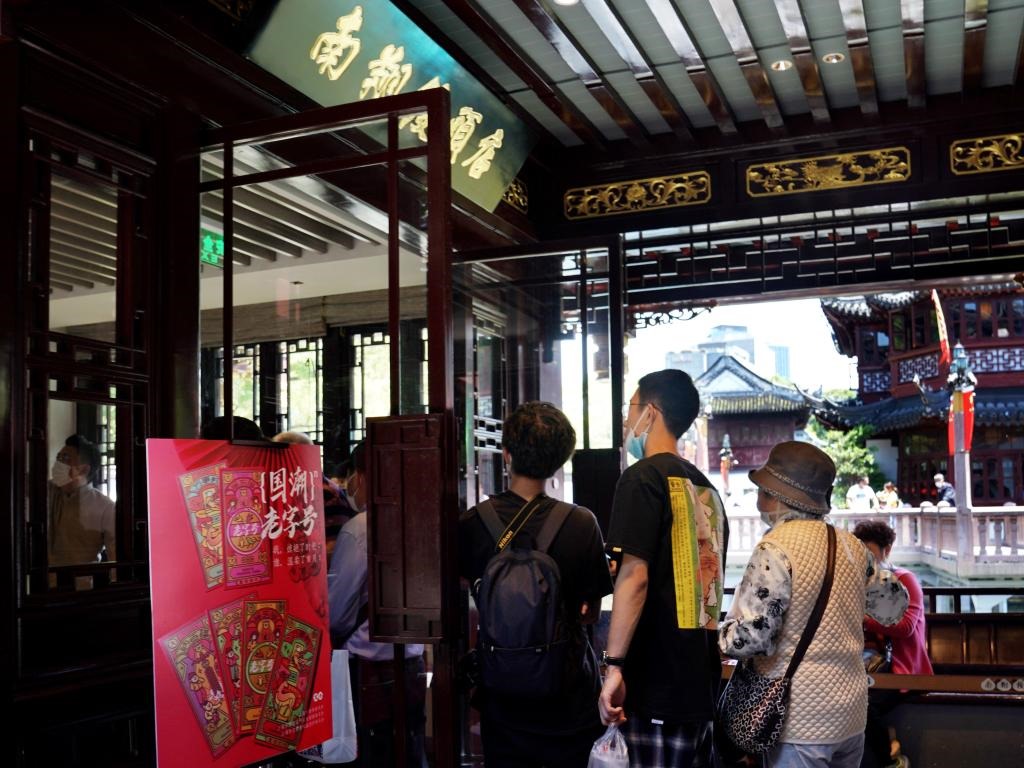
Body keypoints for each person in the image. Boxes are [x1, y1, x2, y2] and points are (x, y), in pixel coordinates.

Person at [719, 442, 909, 768]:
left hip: (799, 722)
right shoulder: (850, 545)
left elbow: (751, 640)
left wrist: (720, 634)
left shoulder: (774, 548)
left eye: (763, 491)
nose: (758, 500)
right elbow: (895, 607)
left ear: (778, 496)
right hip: (851, 715)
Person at [459, 402, 612, 768]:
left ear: (506, 454)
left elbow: (469, 594)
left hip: (502, 697)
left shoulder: (471, 524)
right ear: (559, 461)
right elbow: (590, 614)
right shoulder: (581, 523)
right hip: (567, 695)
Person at [598, 370, 728, 767]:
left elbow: (634, 577)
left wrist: (614, 666)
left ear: (650, 412)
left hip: (653, 682)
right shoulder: (706, 487)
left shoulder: (641, 479)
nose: (627, 421)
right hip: (697, 686)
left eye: (630, 409)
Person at [328, 442, 426, 768]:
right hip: (411, 662)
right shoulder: (420, 520)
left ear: (362, 476)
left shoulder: (360, 528)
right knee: (408, 746)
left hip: (366, 668)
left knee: (371, 752)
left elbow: (338, 612)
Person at [853, 521, 933, 768]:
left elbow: (906, 626)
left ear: (887, 550)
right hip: (868, 667)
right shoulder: (858, 582)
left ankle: (891, 758)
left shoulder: (904, 579)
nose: (865, 560)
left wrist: (862, 618)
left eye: (869, 553)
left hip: (902, 669)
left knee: (862, 705)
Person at [49, 435, 116, 565]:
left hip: (81, 577)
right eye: (58, 458)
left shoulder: (104, 507)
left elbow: (115, 557)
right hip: (42, 577)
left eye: (65, 459)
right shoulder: (48, 492)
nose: (58, 464)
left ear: (84, 469)